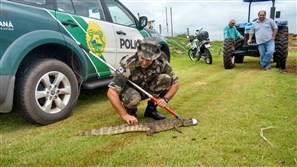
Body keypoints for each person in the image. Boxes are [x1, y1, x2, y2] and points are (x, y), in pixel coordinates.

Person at [107, 37, 179, 126]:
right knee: (134, 99)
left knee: (166, 79)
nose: (144, 62)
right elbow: (111, 92)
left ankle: (151, 109)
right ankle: (131, 112)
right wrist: (124, 115)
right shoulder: (128, 63)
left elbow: (175, 83)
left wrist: (165, 99)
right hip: (130, 92)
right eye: (142, 58)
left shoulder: (161, 62)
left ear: (155, 57)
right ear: (138, 52)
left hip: (146, 88)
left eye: (149, 60)